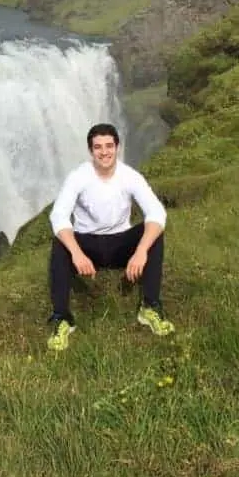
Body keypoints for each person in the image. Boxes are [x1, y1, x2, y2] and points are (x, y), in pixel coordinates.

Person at [46, 122, 174, 351]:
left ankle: (150, 306)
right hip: (87, 243)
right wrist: (76, 253)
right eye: (98, 147)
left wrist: (141, 251)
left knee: (153, 233)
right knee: (60, 243)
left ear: (117, 147)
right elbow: (59, 216)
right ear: (91, 151)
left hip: (120, 242)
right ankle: (62, 317)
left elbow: (157, 212)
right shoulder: (78, 177)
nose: (104, 152)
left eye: (108, 146)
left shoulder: (130, 176)